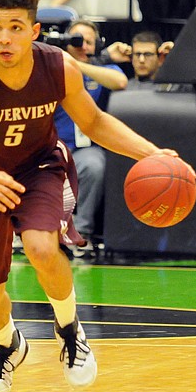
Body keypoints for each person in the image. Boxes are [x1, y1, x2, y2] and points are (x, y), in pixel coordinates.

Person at [0, 0, 186, 392]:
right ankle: (8, 347)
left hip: (37, 167)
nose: (4, 37)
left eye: (14, 27)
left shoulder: (57, 66)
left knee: (43, 247)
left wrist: (149, 153)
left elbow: (94, 122)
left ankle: (69, 331)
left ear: (34, 31)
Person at [52, 20, 127, 255]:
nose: (82, 45)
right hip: (52, 144)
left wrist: (78, 65)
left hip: (86, 148)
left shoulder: (102, 68)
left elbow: (120, 82)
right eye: (76, 40)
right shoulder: (52, 66)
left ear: (97, 46)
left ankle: (80, 233)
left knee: (94, 166)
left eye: (89, 41)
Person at [101, 31, 174, 89]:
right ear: (132, 57)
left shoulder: (172, 88)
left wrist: (179, 55)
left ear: (160, 59)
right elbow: (89, 72)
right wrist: (105, 56)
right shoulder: (121, 87)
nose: (141, 60)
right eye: (137, 54)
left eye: (147, 54)